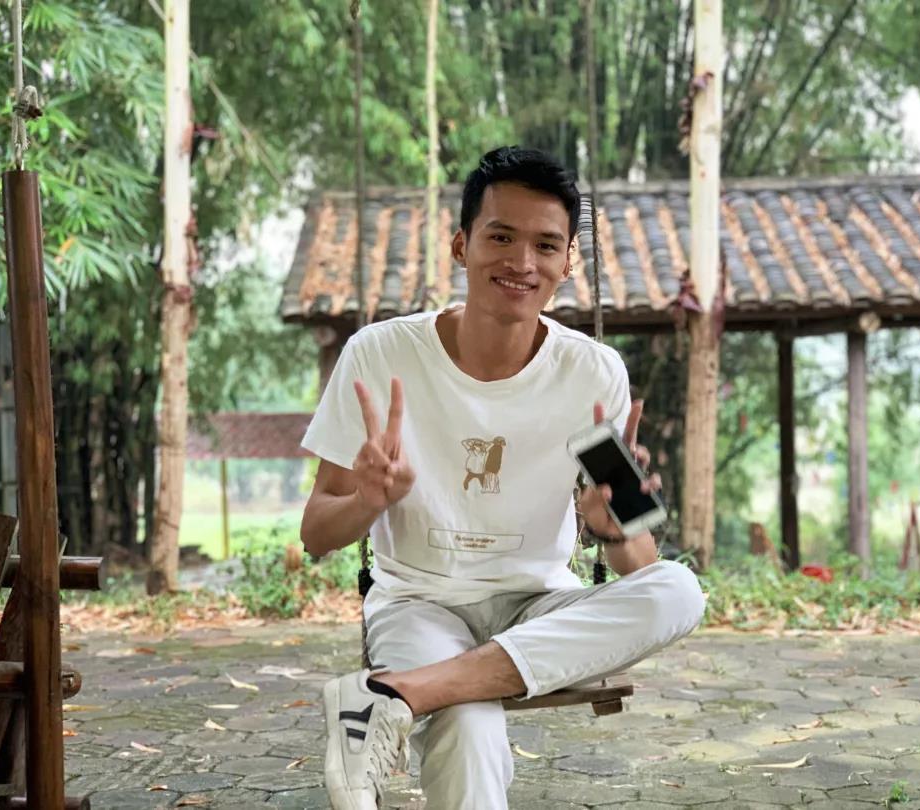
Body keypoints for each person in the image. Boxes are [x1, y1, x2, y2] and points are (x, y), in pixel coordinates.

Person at [300, 146, 705, 810]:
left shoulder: (594, 372)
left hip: (537, 607)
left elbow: (638, 561)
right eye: (501, 237)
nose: (522, 262)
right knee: (467, 724)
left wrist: (610, 528)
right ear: (461, 244)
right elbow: (316, 534)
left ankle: (393, 695)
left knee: (679, 590)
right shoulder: (379, 354)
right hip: (419, 602)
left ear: (568, 262)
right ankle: (419, 689)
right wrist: (368, 502)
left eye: (545, 245)